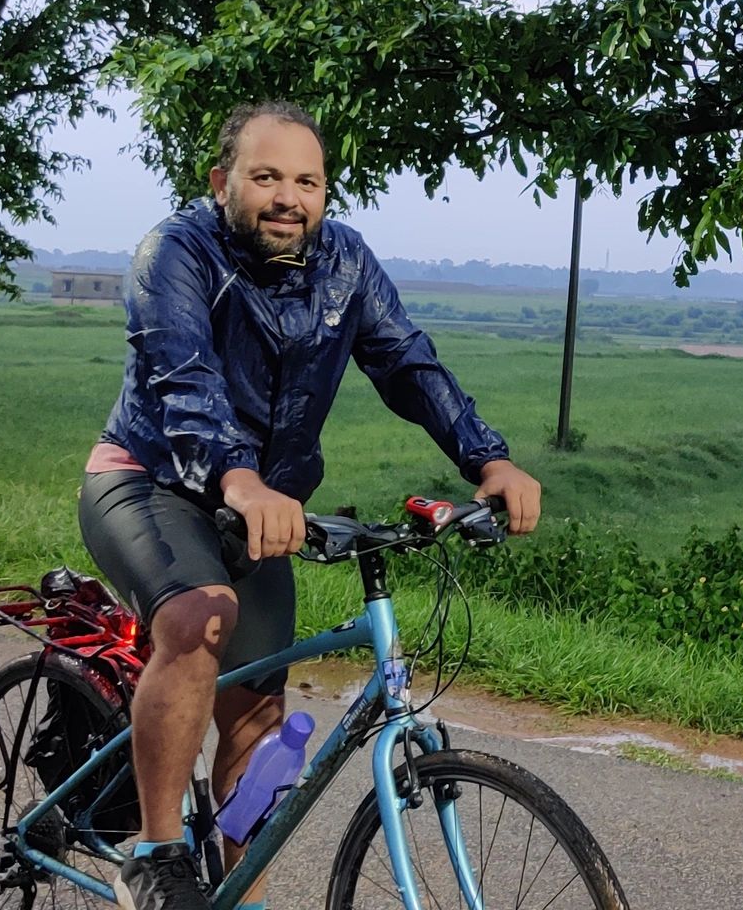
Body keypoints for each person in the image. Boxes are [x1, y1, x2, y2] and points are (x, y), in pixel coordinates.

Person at [78, 100, 542, 910]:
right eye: (266, 177)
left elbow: (406, 362)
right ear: (222, 183)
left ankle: (242, 893)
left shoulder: (345, 262)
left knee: (258, 721)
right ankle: (154, 854)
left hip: (260, 510)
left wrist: (487, 457)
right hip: (151, 481)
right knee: (200, 617)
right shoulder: (174, 253)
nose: (288, 197)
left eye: (307, 181)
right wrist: (240, 478)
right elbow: (185, 382)